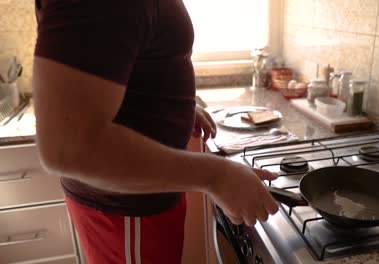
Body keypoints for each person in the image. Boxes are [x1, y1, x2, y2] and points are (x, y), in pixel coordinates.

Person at [33, 0, 278, 263]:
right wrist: (218, 177)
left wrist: (175, 105)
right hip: (126, 211)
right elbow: (69, 147)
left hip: (142, 197)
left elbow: (122, 60)